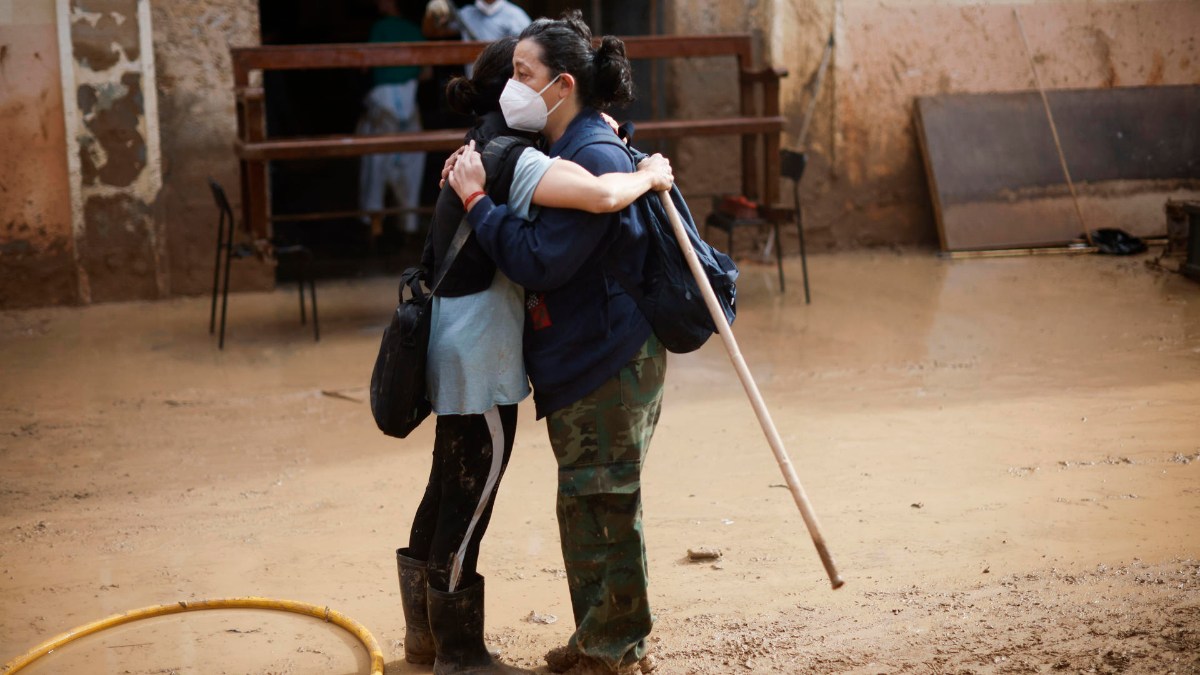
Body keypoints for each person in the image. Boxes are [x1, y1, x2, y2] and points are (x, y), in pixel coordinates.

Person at [396, 36, 673, 675]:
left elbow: (585, 185)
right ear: (508, 93)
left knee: (448, 490)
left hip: (459, 352)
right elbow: (599, 197)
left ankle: (429, 641)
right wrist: (648, 171)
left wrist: (609, 131)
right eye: (517, 74)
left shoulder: (492, 149)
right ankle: (459, 654)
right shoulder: (510, 158)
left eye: (532, 72)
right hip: (480, 361)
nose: (524, 85)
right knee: (468, 501)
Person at [359, 0, 426, 235]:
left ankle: (374, 223)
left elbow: (365, 65)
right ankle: (408, 223)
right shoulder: (415, 30)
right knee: (412, 159)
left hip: (383, 101)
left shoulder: (380, 27)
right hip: (409, 101)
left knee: (376, 160)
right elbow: (426, 71)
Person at [423, 0, 532, 42]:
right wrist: (432, 14)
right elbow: (433, 32)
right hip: (473, 84)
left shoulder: (516, 15)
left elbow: (531, 48)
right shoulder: (466, 14)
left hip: (504, 86)